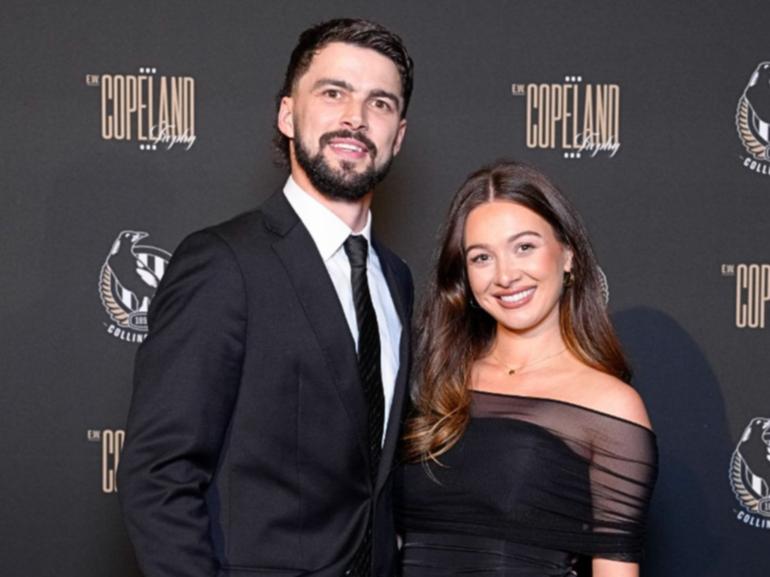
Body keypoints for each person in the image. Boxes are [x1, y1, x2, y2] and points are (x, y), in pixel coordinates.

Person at [118, 18, 414, 577]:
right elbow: (159, 474)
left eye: (380, 103)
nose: (355, 117)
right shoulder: (224, 263)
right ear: (287, 114)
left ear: (397, 135)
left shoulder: (395, 279)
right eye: (333, 93)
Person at [396, 161, 657, 577]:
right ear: (464, 274)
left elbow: (615, 570)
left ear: (567, 255)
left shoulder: (610, 405)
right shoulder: (434, 379)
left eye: (524, 247)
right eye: (482, 257)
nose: (505, 275)